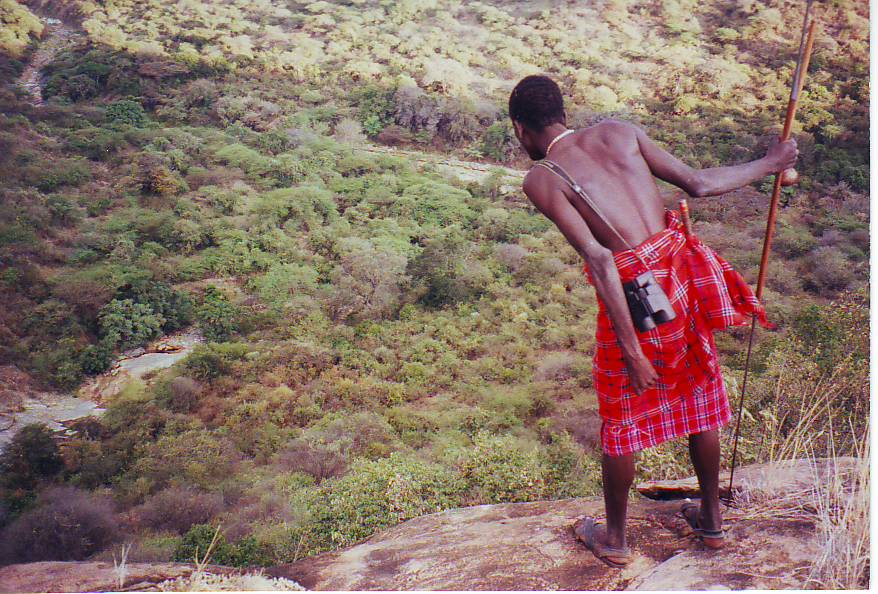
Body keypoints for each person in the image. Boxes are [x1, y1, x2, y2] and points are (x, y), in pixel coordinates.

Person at [508, 74, 798, 567]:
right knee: (700, 390)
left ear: (520, 129)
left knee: (621, 414)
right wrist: (772, 163)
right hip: (683, 278)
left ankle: (616, 542)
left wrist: (634, 351)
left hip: (636, 297)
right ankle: (711, 523)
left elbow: (600, 259)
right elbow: (700, 184)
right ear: (563, 112)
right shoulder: (619, 131)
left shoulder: (543, 178)